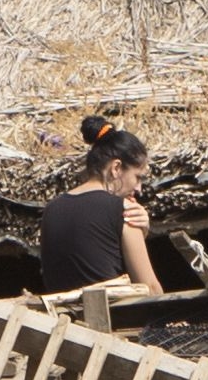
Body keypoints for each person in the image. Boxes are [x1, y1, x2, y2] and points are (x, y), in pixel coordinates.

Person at [39, 115, 162, 295]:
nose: (139, 188)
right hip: (113, 318)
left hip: (62, 317)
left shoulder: (52, 209)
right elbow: (150, 288)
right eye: (138, 177)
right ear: (116, 168)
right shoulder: (124, 210)